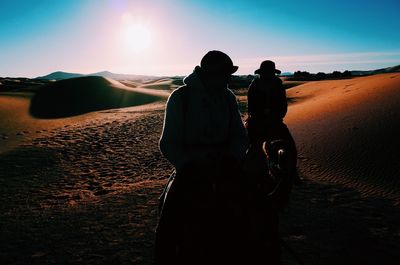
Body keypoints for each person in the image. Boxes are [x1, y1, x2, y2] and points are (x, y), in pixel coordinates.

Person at [155, 50, 248, 265]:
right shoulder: (181, 98)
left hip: (225, 165)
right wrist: (187, 165)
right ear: (210, 74)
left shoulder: (228, 97)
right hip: (191, 169)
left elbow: (239, 135)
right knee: (168, 224)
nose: (228, 79)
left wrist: (232, 158)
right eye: (225, 74)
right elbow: (168, 142)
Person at [247, 60, 298, 182]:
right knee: (250, 148)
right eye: (266, 72)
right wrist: (261, 117)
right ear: (261, 73)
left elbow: (283, 107)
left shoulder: (278, 86)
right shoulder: (253, 87)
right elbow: (251, 108)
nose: (268, 75)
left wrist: (274, 116)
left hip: (275, 121)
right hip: (256, 121)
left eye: (270, 72)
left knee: (291, 146)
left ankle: (292, 171)